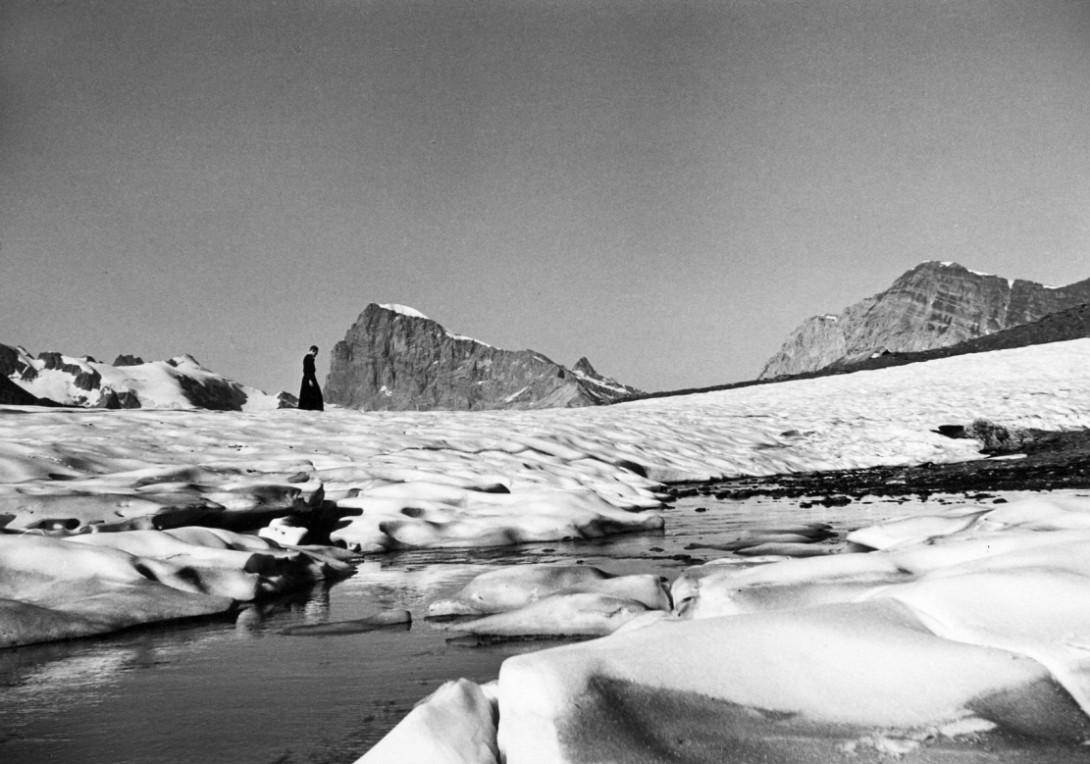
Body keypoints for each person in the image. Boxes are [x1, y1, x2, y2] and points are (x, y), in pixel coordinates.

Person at [298, 345, 324, 411]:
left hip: (308, 377)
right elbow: (307, 369)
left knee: (309, 393)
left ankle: (309, 407)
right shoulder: (309, 358)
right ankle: (313, 408)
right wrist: (309, 379)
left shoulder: (308, 357)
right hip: (309, 378)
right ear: (313, 351)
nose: (317, 354)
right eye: (316, 352)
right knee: (315, 394)